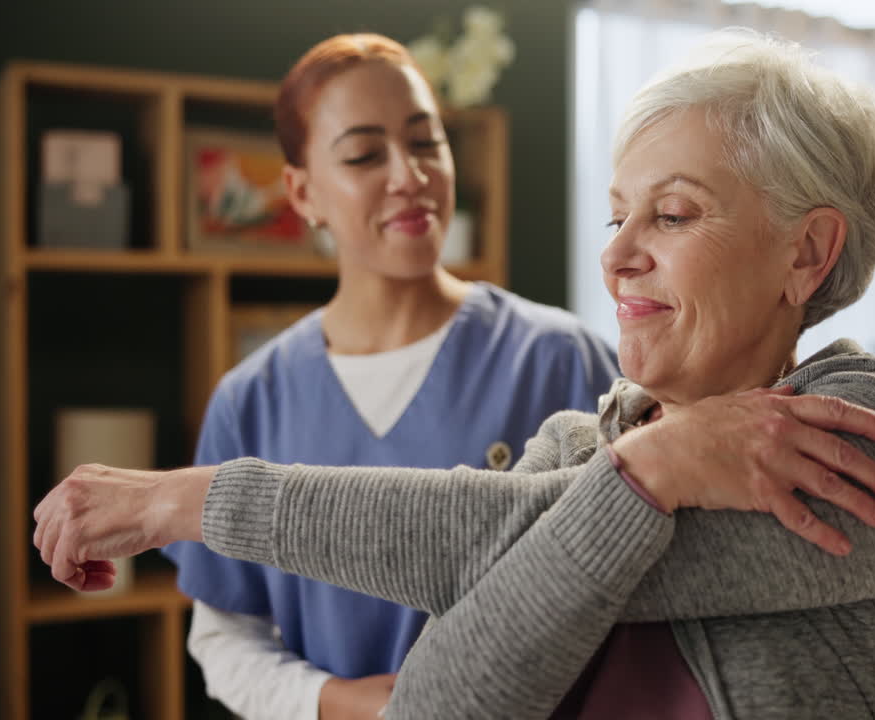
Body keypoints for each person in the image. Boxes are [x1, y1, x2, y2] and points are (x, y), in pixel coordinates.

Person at [36, 30, 875, 719]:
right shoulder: (575, 442)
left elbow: (504, 540)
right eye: (615, 218)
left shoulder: (872, 433)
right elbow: (437, 707)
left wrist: (648, 474)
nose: (618, 259)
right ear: (303, 195)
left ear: (807, 253)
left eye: (673, 214)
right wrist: (651, 467)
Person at [161, 33, 625, 720]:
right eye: (363, 155)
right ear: (302, 192)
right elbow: (225, 635)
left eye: (426, 143)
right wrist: (336, 702)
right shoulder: (251, 400)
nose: (409, 176)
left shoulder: (560, 358)